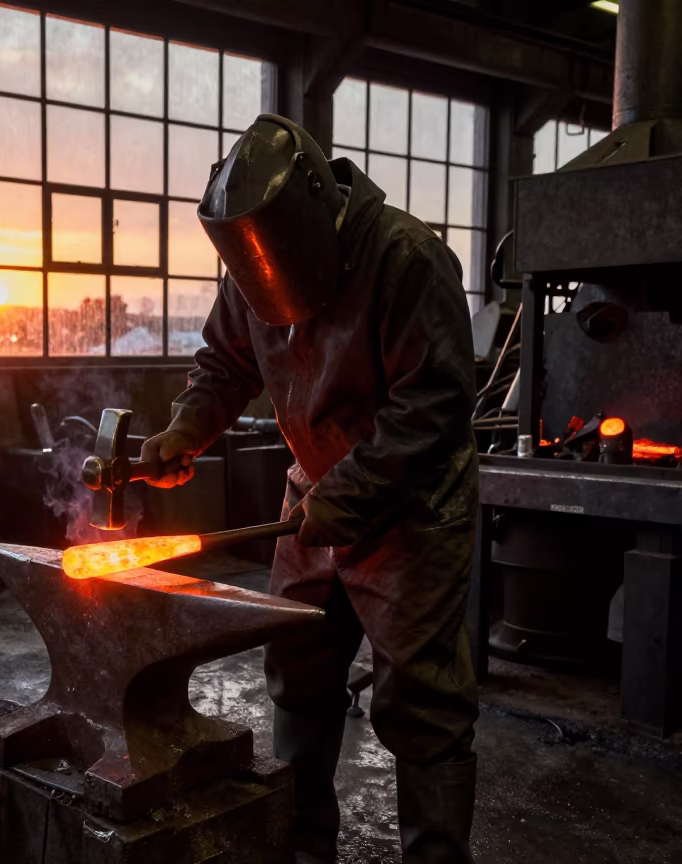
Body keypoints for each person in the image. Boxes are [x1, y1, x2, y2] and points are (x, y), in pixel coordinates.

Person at [141, 114, 480, 864]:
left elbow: (433, 407)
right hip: (312, 502)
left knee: (422, 704)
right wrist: (183, 433)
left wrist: (347, 493)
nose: (270, 296)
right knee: (298, 675)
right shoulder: (254, 272)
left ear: (322, 213)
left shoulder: (408, 259)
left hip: (410, 513)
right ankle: (300, 852)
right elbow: (224, 366)